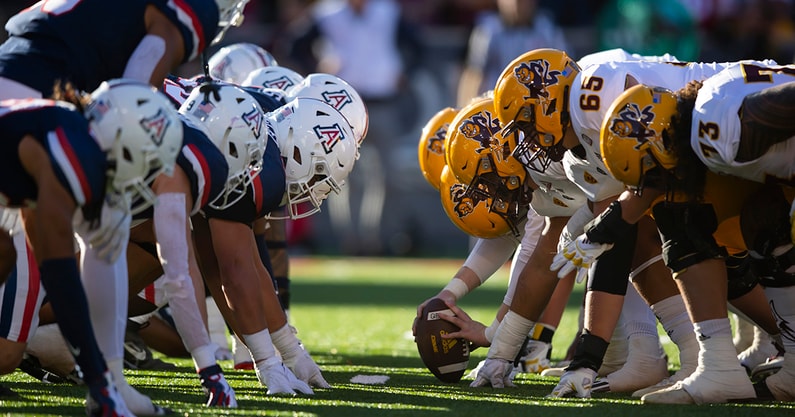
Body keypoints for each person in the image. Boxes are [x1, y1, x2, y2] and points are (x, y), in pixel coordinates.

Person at [559, 62, 795, 403]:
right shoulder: (692, 132)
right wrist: (605, 227)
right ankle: (736, 366)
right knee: (738, 220)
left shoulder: (719, 124)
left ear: (665, 148)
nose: (647, 190)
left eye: (648, 174)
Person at [0, 79, 182, 415]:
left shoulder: (68, 134)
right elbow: (60, 275)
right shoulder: (71, 156)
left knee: (5, 252)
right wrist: (100, 381)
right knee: (6, 354)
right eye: (146, 158)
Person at [180, 83, 358, 393]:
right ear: (301, 152)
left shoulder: (260, 129)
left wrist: (290, 352)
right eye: (317, 177)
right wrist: (268, 362)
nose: (311, 191)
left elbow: (228, 261)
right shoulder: (264, 163)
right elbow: (234, 271)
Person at [412, 102, 571, 375]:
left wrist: (496, 335)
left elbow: (536, 253)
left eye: (479, 180)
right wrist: (450, 293)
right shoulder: (507, 145)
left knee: (603, 242)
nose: (481, 191)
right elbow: (507, 229)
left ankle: (629, 349)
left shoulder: (531, 154)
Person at [283, 0, 421, 255]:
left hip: (382, 102)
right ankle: (352, 241)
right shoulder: (327, 14)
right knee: (345, 177)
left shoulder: (386, 11)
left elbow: (417, 45)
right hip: (342, 110)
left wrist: (404, 72)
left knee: (389, 177)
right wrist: (315, 72)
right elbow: (293, 45)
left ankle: (377, 239)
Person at [457, 0, 568, 106]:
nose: (515, 4)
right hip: (495, 107)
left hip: (539, 106)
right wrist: (465, 108)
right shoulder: (488, 30)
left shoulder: (547, 29)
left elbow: (565, 69)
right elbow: (474, 74)